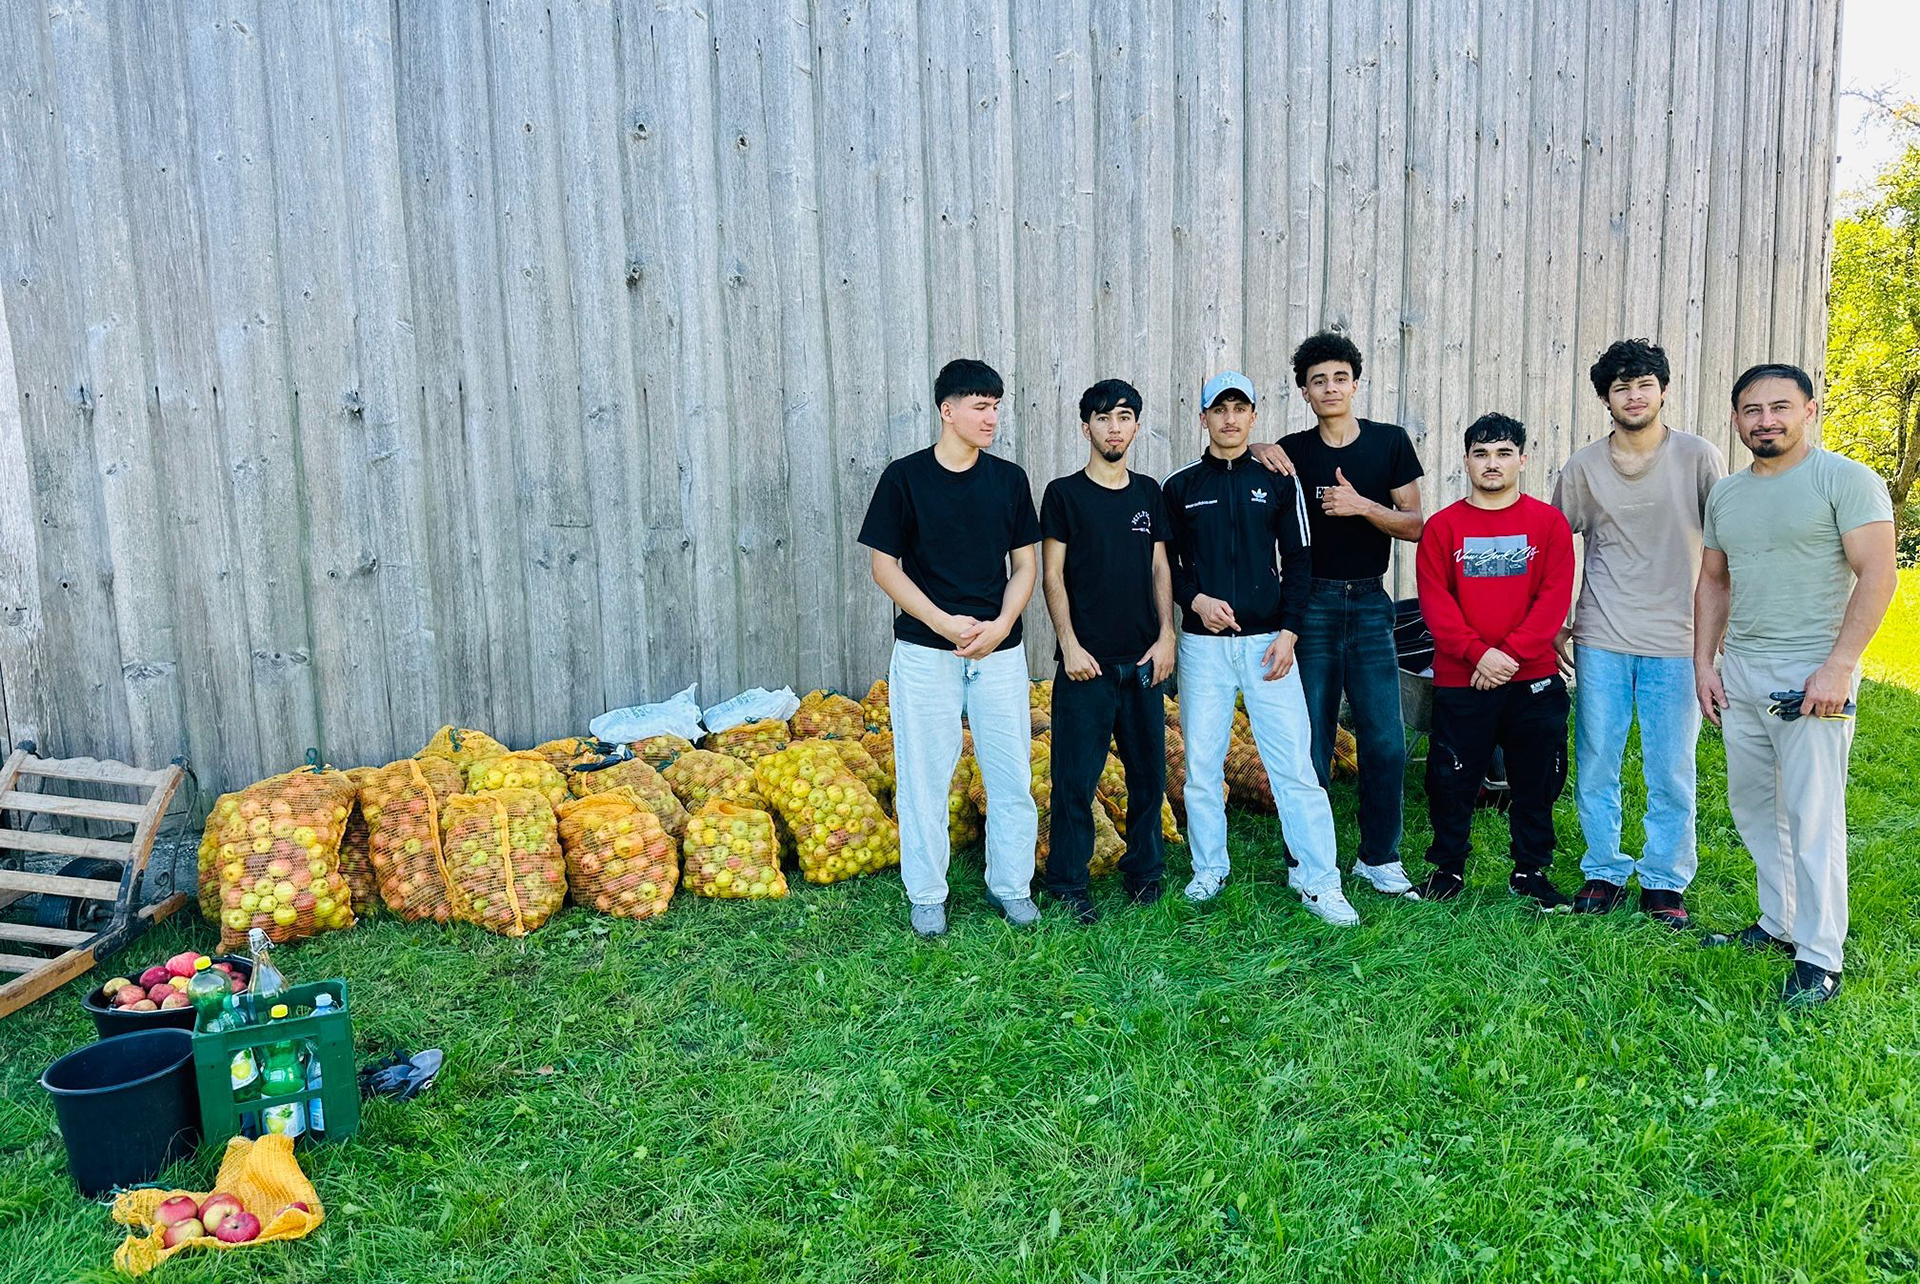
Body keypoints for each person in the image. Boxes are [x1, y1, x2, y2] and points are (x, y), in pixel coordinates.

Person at [1695, 362, 1895, 1005]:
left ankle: (1820, 957)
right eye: (1752, 410)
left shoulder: (1845, 480)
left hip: (1811, 670)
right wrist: (1705, 663)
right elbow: (1714, 581)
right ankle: (1779, 922)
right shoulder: (1727, 494)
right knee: (1755, 807)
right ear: (1736, 419)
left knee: (1813, 815)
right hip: (1742, 669)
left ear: (1809, 410)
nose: (1766, 421)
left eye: (1780, 407)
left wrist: (1839, 666)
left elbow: (1879, 574)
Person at [1161, 370, 1359, 925]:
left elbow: (1299, 559)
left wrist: (1290, 631)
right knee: (1202, 765)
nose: (1229, 419)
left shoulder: (1276, 480)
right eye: (1219, 409)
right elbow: (1165, 565)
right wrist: (1194, 600)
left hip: (1270, 645)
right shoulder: (1180, 486)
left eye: (1239, 409)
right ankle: (1209, 868)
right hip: (1203, 648)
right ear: (1203, 417)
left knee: (1294, 766)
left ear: (1253, 415)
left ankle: (1319, 880)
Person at [858, 358, 1042, 938]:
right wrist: (941, 622)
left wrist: (1001, 625)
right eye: (980, 407)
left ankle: (1011, 886)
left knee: (1010, 773)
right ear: (947, 410)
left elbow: (1026, 565)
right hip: (925, 651)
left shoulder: (1009, 480)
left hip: (998, 652)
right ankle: (927, 894)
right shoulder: (905, 478)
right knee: (924, 775)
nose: (992, 418)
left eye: (996, 407)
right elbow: (884, 566)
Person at [1553, 339, 1726, 928]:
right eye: (1621, 387)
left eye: (1644, 384)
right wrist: (1556, 620)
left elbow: (1727, 548)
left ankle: (1664, 880)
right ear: (1606, 399)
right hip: (1601, 633)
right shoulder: (1583, 466)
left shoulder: (1698, 457)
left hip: (1678, 638)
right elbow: (1553, 545)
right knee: (1597, 758)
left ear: (1663, 391)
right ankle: (1603, 869)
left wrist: (1718, 636)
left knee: (1671, 766)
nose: (1633, 396)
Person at [1246, 331, 1425, 898]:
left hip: (1371, 603)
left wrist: (1362, 506)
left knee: (1385, 738)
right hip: (1310, 605)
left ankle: (1380, 857)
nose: (1329, 388)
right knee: (1311, 739)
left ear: (1355, 384)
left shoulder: (1389, 442)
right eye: (1317, 380)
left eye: (1339, 378)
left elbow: (1416, 525)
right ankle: (1306, 859)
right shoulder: (1292, 451)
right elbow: (1239, 467)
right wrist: (1256, 448)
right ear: (1304, 391)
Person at [1414, 413, 1576, 908]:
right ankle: (1447, 870)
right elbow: (1436, 604)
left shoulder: (1548, 524)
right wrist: (1478, 654)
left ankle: (1530, 871)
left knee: (1537, 780)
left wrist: (1507, 656)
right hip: (1462, 679)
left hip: (1532, 678)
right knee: (1451, 777)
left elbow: (1553, 600)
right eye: (1481, 453)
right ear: (1466, 461)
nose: (1492, 463)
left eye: (1504, 453)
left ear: (1522, 461)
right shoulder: (1442, 528)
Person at [1039, 379, 1179, 923]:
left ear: (1136, 426)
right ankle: (1068, 883)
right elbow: (1052, 575)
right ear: (1086, 428)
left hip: (1143, 662)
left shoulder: (1149, 493)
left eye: (1123, 417)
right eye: (1102, 418)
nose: (1113, 428)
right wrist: (1070, 645)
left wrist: (1166, 636)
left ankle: (1144, 872)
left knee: (1149, 777)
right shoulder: (1064, 494)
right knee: (1074, 781)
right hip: (1087, 666)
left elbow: (1160, 567)